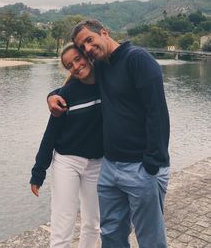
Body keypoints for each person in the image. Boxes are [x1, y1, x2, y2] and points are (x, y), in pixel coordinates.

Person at [48, 20, 170, 248]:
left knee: (150, 239)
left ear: (104, 33)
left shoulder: (138, 59)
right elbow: (79, 84)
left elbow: (158, 114)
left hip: (141, 167)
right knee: (111, 235)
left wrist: (152, 165)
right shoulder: (103, 66)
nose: (88, 49)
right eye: (82, 47)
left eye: (89, 40)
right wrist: (52, 95)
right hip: (110, 168)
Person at [30, 43, 103, 248]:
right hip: (67, 162)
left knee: (93, 224)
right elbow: (50, 134)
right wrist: (38, 172)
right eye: (70, 65)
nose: (76, 66)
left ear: (87, 56)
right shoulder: (66, 94)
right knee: (63, 226)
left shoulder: (108, 83)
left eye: (78, 59)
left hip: (98, 164)